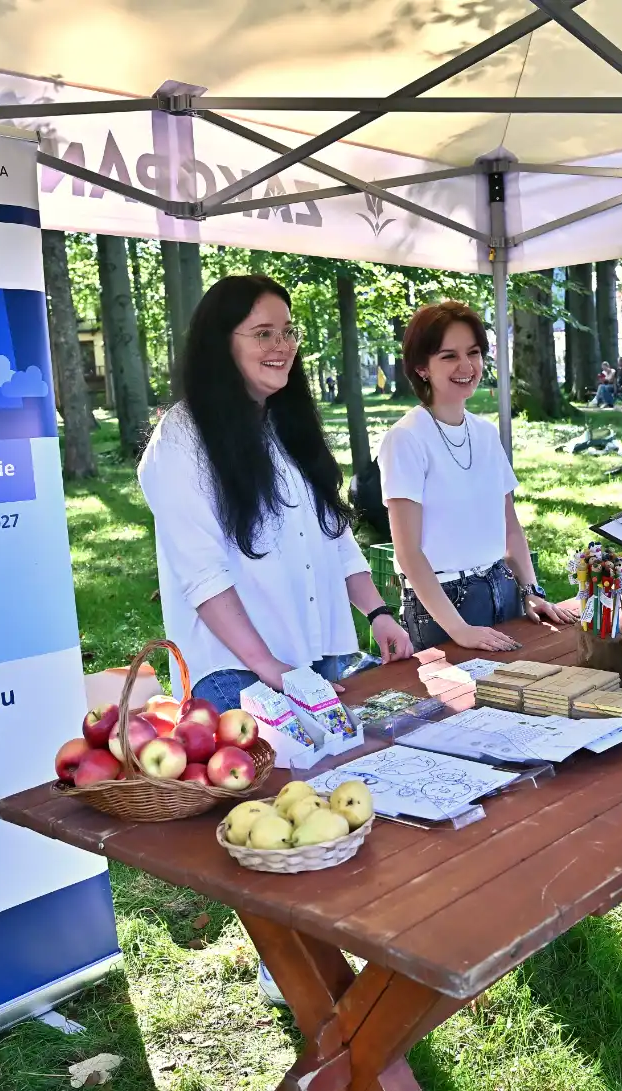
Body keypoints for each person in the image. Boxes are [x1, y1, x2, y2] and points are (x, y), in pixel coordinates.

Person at [138, 275, 413, 1007]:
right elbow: (201, 576)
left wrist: (377, 611)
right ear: (218, 344)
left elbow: (336, 536)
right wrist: (269, 669)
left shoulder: (284, 424)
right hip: (239, 673)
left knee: (332, 812)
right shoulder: (181, 442)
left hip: (315, 660)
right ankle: (294, 974)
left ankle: (341, 945)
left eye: (287, 331)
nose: (282, 345)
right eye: (262, 332)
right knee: (279, 823)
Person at [378, 301, 577, 652]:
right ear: (422, 368)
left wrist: (531, 590)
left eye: (473, 352)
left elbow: (509, 524)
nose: (467, 366)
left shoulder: (485, 432)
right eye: (449, 356)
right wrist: (460, 629)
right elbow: (408, 552)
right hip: (443, 606)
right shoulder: (405, 438)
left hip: (503, 587)